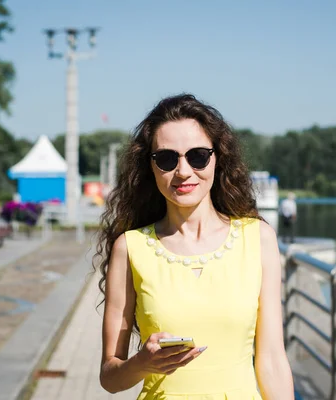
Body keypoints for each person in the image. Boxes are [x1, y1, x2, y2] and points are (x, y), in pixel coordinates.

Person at [96, 94, 294, 399]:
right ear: (150, 167)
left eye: (198, 156)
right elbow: (110, 378)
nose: (184, 171)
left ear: (218, 158)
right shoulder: (130, 247)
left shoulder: (259, 238)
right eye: (167, 158)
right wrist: (142, 363)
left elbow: (272, 363)